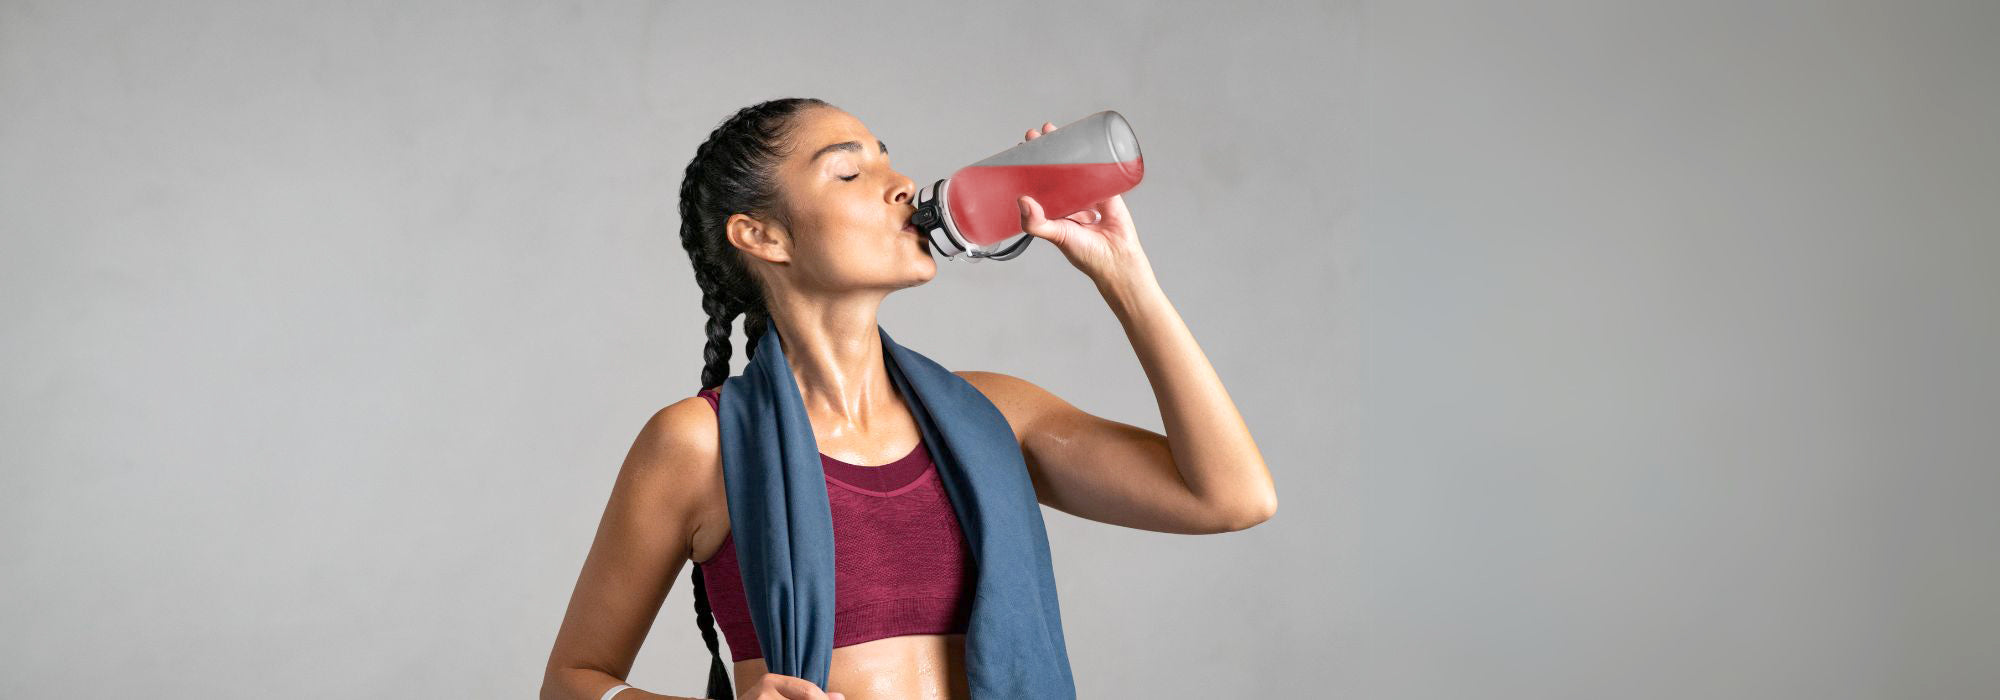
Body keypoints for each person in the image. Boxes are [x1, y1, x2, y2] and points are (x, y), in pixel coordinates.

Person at [541, 98, 1277, 700]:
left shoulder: (994, 416)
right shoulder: (701, 444)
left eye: (888, 159)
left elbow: (1231, 498)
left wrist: (1126, 277)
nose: (901, 184)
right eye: (849, 172)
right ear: (761, 235)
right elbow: (571, 683)